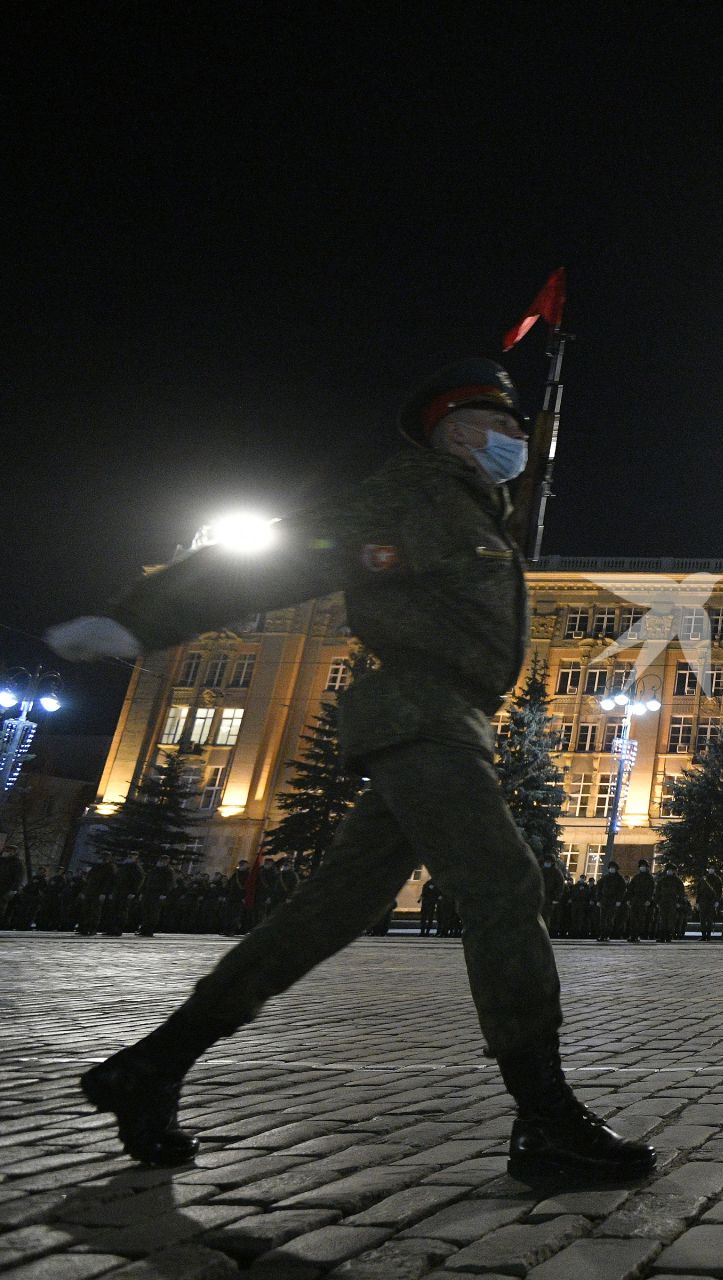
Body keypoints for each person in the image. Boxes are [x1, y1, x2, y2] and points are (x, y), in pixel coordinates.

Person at [46, 358, 652, 1178]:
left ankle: (150, 1067)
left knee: (323, 917)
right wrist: (138, 622)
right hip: (419, 717)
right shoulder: (418, 490)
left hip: (449, 721)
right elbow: (294, 550)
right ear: (462, 431)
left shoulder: (475, 508)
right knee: (504, 886)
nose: (521, 441)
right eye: (508, 427)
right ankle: (545, 1119)